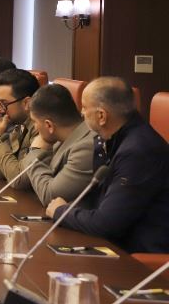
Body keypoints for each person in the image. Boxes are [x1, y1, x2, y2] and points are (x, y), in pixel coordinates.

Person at [46, 77, 169, 253]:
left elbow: (107, 224)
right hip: (117, 245)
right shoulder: (115, 139)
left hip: (137, 258)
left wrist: (61, 212)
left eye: (84, 107)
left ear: (102, 116)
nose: (82, 113)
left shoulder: (138, 151)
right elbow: (98, 199)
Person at [23, 83, 96, 205]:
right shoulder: (60, 139)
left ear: (49, 125)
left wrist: (34, 151)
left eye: (35, 122)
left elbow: (49, 196)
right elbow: (26, 181)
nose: (35, 128)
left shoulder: (86, 147)